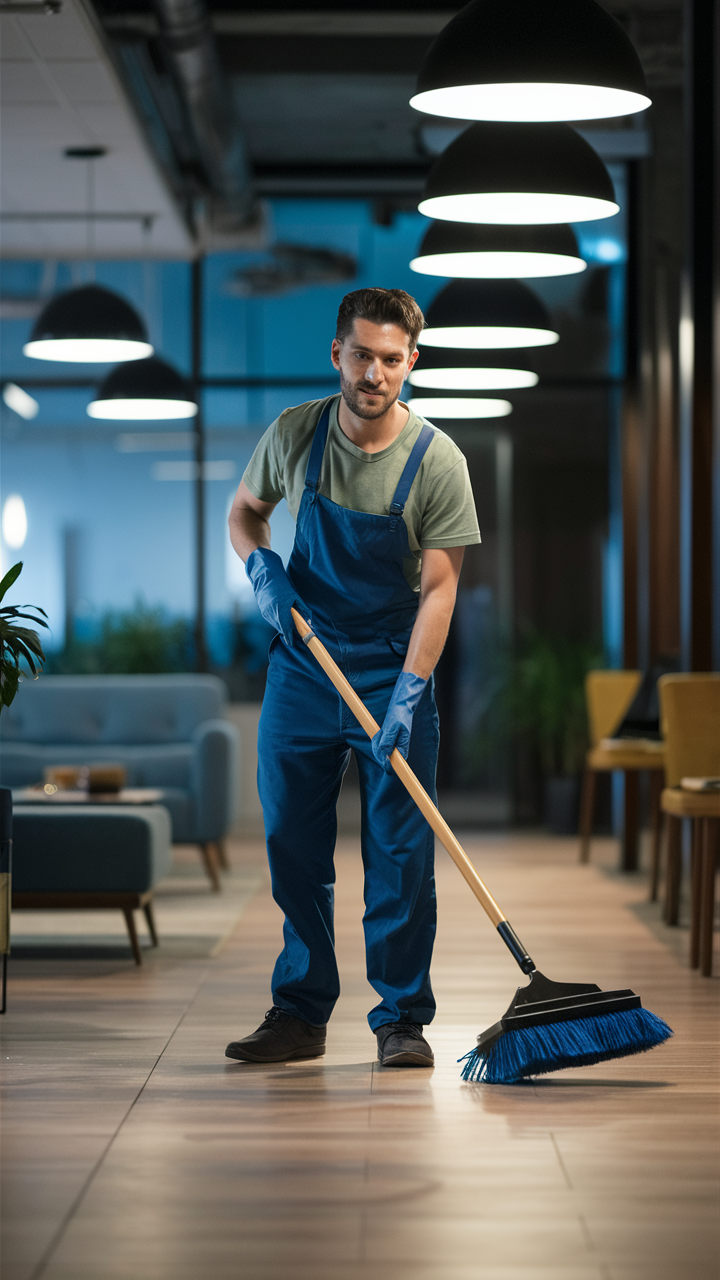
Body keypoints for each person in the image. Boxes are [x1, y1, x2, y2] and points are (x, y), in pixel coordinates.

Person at [226, 287, 480, 1068]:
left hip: (391, 667)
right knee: (291, 843)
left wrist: (409, 692)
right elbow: (245, 513)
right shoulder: (296, 435)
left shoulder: (438, 461)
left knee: (400, 854)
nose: (375, 373)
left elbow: (439, 589)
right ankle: (300, 1013)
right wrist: (263, 573)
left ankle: (401, 1019)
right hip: (304, 662)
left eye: (391, 360)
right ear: (337, 353)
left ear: (412, 362)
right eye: (361, 355)